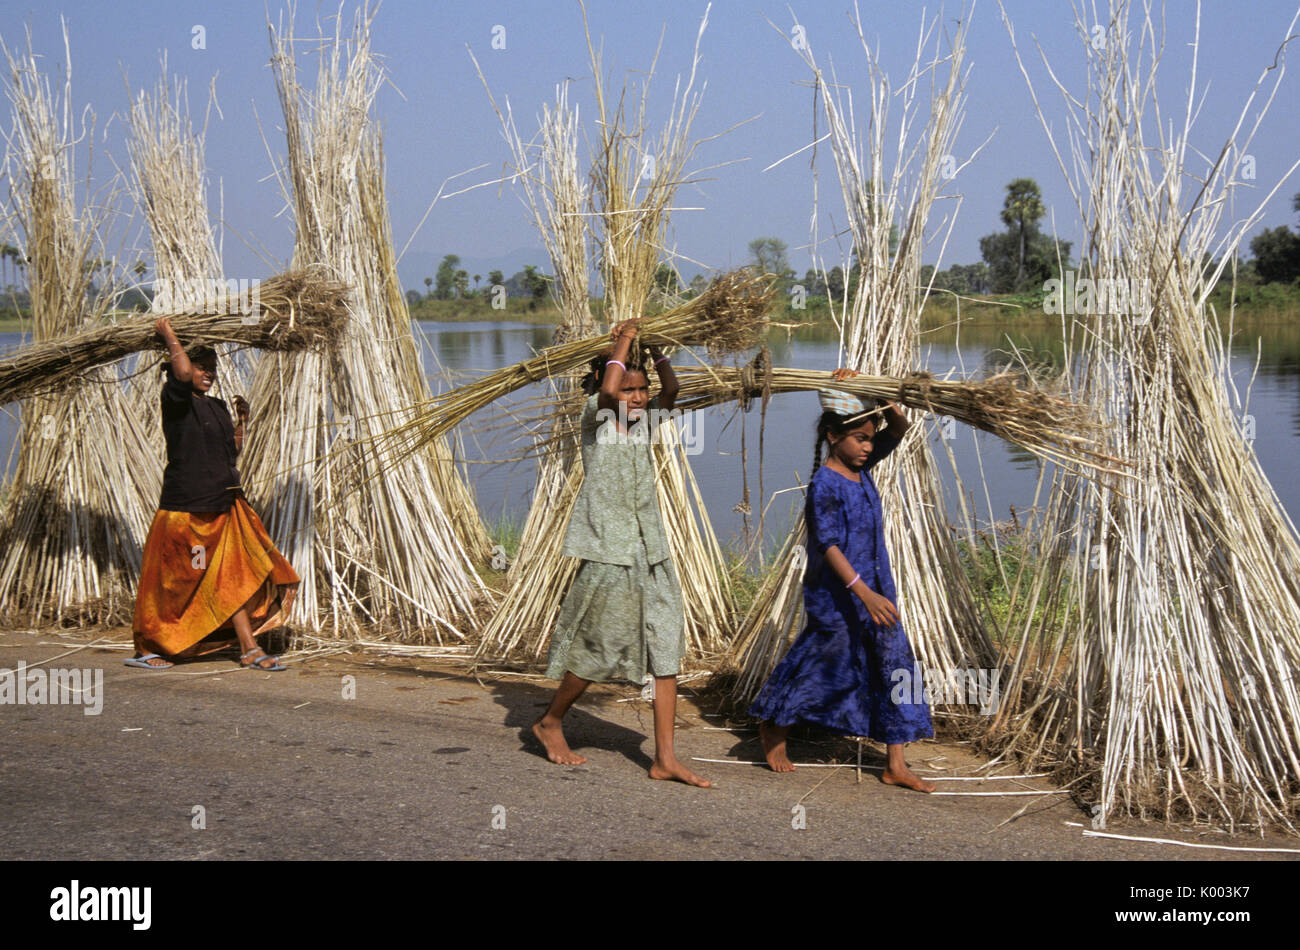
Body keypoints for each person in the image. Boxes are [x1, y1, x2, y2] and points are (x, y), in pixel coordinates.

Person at [531, 317, 711, 788]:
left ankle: (665, 757)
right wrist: (625, 339)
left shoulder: (646, 423)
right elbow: (610, 392)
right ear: (602, 388)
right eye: (629, 390)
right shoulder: (598, 418)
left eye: (641, 391)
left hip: (651, 550)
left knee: (666, 646)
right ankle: (550, 722)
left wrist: (657, 353)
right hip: (610, 552)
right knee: (599, 647)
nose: (636, 398)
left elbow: (670, 391)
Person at [749, 368, 935, 792]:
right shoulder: (825, 483)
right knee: (821, 661)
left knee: (894, 663)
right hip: (838, 595)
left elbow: (900, 425)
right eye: (860, 439)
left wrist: (867, 391)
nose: (869, 447)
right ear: (834, 436)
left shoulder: (863, 465)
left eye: (872, 438)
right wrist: (862, 593)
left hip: (877, 588)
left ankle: (895, 761)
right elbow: (829, 544)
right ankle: (775, 727)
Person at [125, 317, 300, 671]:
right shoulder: (175, 400)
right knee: (177, 581)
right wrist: (169, 335)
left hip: (223, 504)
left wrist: (241, 424)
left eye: (212, 368)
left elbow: (227, 453)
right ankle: (150, 646)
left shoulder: (217, 407)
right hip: (186, 509)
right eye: (201, 367)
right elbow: (181, 375)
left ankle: (249, 649)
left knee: (232, 577)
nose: (207, 374)